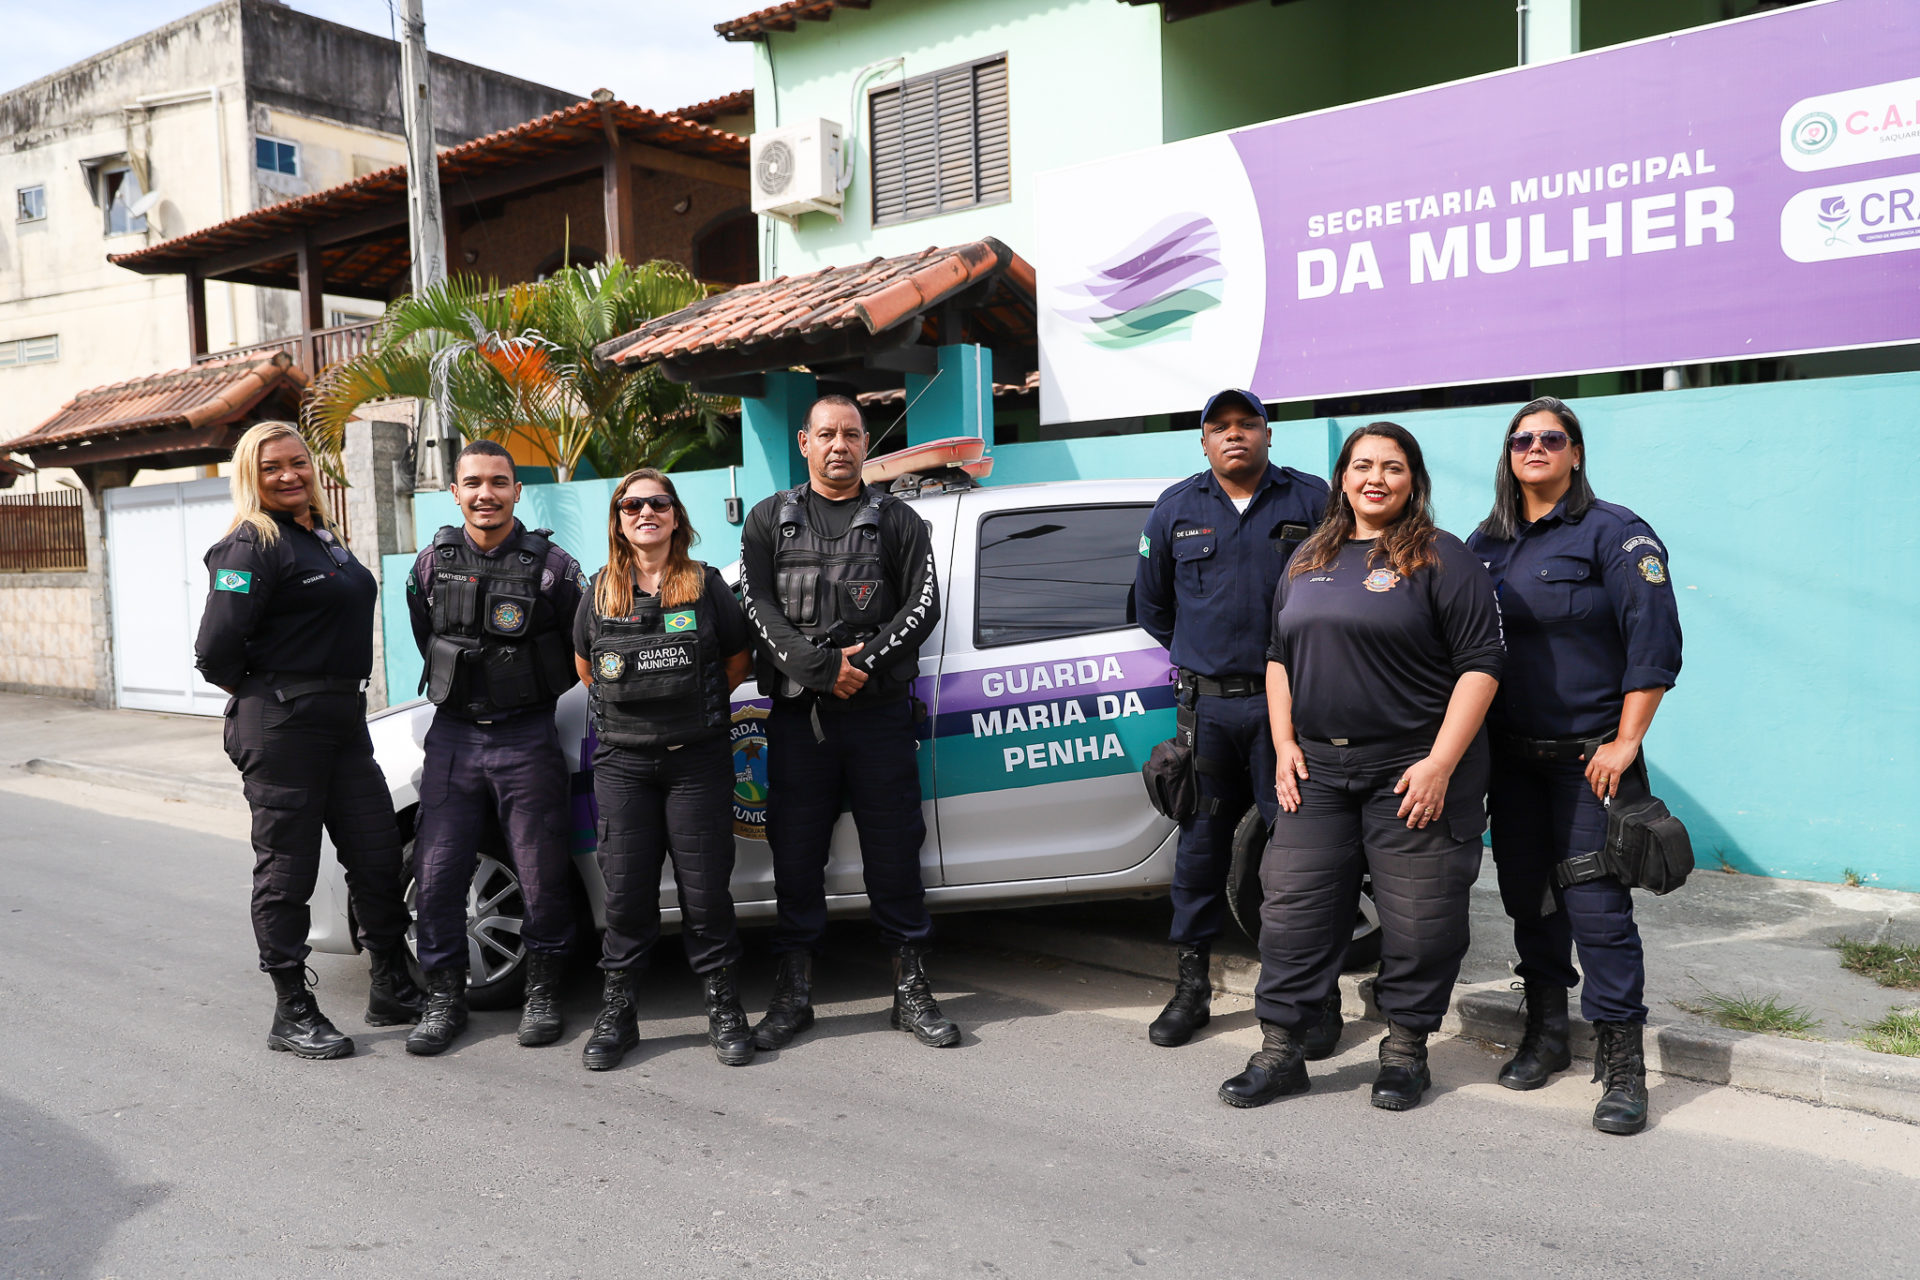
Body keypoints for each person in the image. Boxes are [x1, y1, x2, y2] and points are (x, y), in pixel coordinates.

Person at [1221, 421, 1503, 1112]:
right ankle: (1281, 1051)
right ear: (1343, 478)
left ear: (1414, 481)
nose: (1376, 478)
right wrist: (1285, 743)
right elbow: (1279, 656)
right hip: (1317, 771)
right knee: (1292, 912)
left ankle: (1405, 1052)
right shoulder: (1308, 557)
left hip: (1412, 770)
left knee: (1421, 920)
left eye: (1393, 467)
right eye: (1363, 465)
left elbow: (1482, 665)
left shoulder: (1442, 557)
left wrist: (1441, 762)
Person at [1467, 397, 1682, 1136]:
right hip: (1514, 762)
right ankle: (1548, 1032)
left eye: (1550, 438)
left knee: (1596, 909)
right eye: (1521, 439)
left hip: (1593, 761)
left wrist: (1626, 743)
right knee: (1530, 900)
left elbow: (1653, 641)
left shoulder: (1615, 533)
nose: (1534, 448)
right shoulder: (1486, 543)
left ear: (1575, 452)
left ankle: (1623, 1065)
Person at [195, 421, 425, 1059]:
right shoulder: (251, 544)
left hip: (342, 720)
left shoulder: (320, 536)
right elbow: (213, 653)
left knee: (378, 854)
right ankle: (291, 1009)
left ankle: (390, 983)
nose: (289, 475)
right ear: (252, 477)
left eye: (297, 463)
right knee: (287, 872)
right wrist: (271, 692)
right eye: (272, 468)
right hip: (283, 724)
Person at [738, 394, 957, 1051]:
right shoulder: (767, 520)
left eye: (852, 434)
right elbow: (757, 606)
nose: (840, 445)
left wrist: (861, 665)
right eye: (826, 434)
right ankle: (793, 992)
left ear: (867, 445)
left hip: (880, 717)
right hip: (799, 721)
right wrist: (817, 668)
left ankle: (911, 990)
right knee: (796, 857)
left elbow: (923, 605)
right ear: (803, 442)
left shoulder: (898, 521)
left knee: (894, 854)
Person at [1134, 388, 1331, 1051]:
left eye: (1247, 424)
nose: (1234, 435)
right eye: (1219, 427)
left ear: (1268, 435)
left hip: (1292, 712)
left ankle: (1315, 997)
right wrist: (1205, 663)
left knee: (1301, 858)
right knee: (1200, 851)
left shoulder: (1311, 501)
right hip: (1209, 714)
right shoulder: (1175, 510)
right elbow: (1154, 608)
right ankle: (1192, 988)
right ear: (1203, 442)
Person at [401, 439, 584, 1057]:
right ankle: (444, 998)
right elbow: (424, 631)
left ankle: (544, 993)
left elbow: (575, 643)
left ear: (516, 490)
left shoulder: (554, 566)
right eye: (473, 482)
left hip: (527, 733)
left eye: (499, 482)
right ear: (455, 492)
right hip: (452, 734)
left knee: (542, 873)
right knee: (439, 872)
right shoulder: (431, 563)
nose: (486, 493)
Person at [574, 469, 756, 1071]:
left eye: (658, 503)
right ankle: (619, 1011)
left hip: (696, 761)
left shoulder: (706, 586)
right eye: (632, 505)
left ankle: (724, 1007)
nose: (645, 512)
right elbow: (586, 668)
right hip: (624, 765)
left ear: (676, 516)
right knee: (626, 895)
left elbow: (736, 658)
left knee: (706, 895)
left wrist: (690, 710)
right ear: (618, 519)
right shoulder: (599, 590)